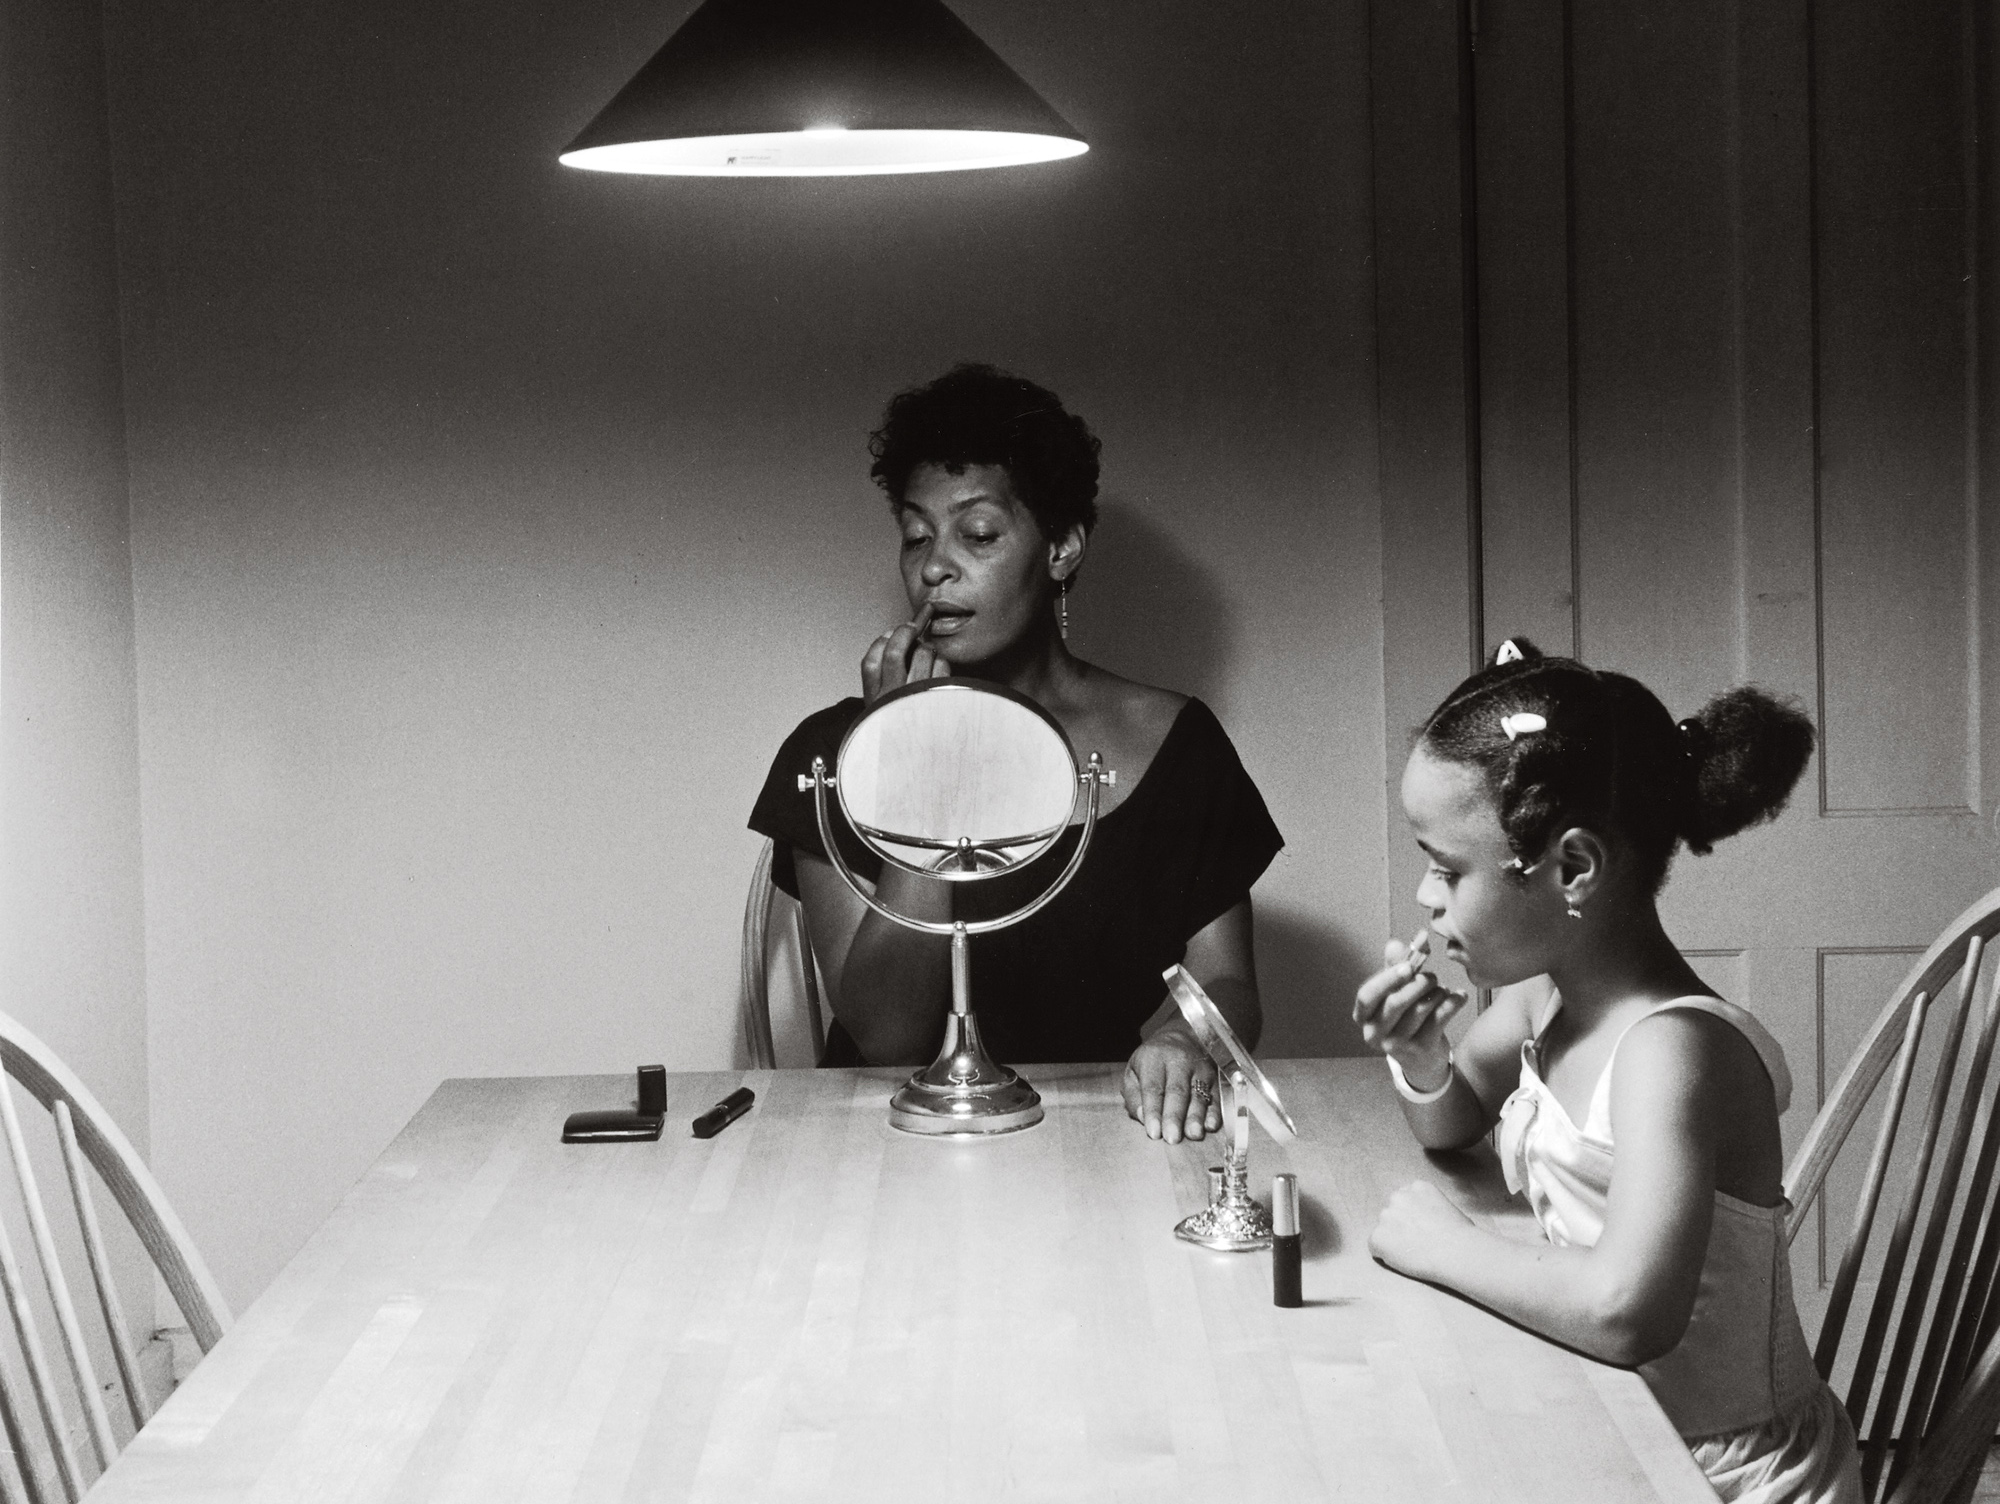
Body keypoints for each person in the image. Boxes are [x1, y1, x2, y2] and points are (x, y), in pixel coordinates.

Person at [1353, 637, 1859, 1504]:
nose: (1425, 899)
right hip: (1615, 1415)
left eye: (1447, 868)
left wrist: (1449, 1248)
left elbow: (1629, 1310)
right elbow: (1454, 1120)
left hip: (1720, 1473)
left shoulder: (1672, 1052)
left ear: (1574, 869)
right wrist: (1420, 1057)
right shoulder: (1545, 998)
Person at [748, 365, 1282, 1142]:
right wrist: (916, 762)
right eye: (916, 536)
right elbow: (887, 1034)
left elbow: (1228, 979)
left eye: (979, 534)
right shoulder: (834, 752)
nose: (935, 567)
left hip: (1108, 1136)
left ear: (1062, 547)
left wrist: (1182, 1038)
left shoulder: (1175, 741)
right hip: (895, 1147)